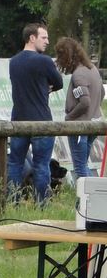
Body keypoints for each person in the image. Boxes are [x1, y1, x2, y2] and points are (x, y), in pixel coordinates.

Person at [8, 22, 64, 205]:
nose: (48, 41)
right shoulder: (44, 61)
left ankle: (13, 202)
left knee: (15, 164)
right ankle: (42, 205)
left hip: (18, 120)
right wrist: (47, 88)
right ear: (32, 38)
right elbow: (59, 83)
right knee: (41, 165)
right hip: (41, 120)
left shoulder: (13, 62)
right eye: (44, 37)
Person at [55, 37, 105, 182]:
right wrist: (94, 111)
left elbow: (85, 102)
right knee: (83, 165)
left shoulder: (78, 75)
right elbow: (102, 92)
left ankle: (92, 200)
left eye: (60, 55)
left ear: (67, 56)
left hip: (79, 128)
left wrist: (69, 118)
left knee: (80, 168)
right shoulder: (92, 69)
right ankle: (84, 202)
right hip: (93, 125)